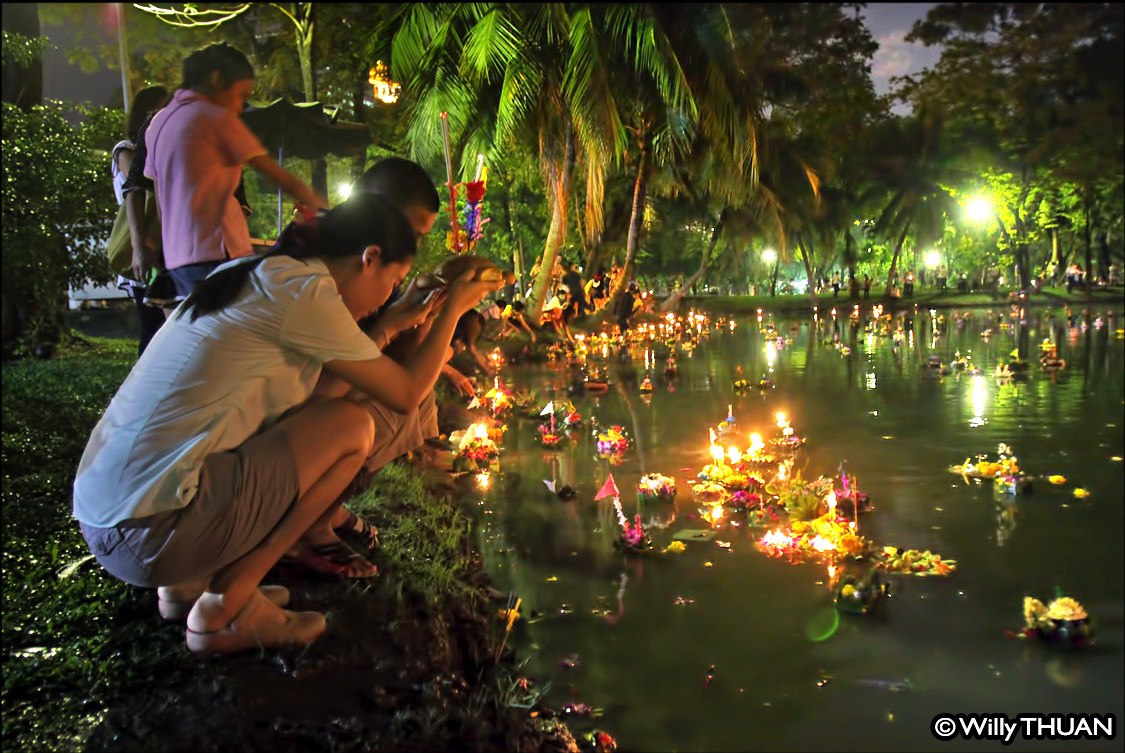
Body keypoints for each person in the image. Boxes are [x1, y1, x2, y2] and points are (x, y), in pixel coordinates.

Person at [72, 193, 502, 656]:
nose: (389, 296)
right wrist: (454, 308)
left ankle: (185, 587)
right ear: (369, 257)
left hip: (112, 518)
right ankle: (227, 608)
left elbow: (317, 401)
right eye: (393, 281)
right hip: (150, 531)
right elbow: (404, 394)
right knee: (353, 428)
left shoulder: (257, 275)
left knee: (326, 422)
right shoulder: (305, 293)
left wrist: (399, 321)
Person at [143, 42, 327, 300]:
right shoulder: (215, 117)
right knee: (245, 330)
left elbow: (158, 195)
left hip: (178, 258)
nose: (240, 107)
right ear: (217, 80)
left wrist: (152, 242)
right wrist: (325, 212)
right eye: (241, 96)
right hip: (217, 252)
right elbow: (279, 176)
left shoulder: (158, 123)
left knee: (212, 334)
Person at [111, 85, 170, 356]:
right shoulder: (126, 149)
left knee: (165, 321)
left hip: (160, 241)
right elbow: (137, 183)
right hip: (143, 241)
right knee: (152, 323)